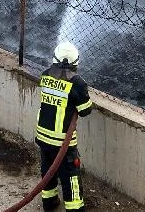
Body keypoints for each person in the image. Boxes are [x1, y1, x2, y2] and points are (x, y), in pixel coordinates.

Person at [36, 41, 93, 211]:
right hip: (63, 142)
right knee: (71, 176)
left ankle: (49, 202)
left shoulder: (45, 75)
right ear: (76, 62)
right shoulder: (77, 83)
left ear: (54, 59)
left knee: (48, 170)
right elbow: (84, 110)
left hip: (43, 135)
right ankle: (75, 209)